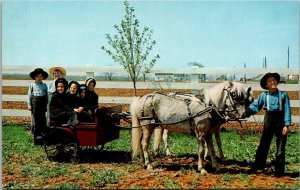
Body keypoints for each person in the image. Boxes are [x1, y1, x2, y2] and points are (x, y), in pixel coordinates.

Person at [243, 72, 291, 176]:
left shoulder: (283, 95)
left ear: (277, 81)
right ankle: (259, 167)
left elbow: (287, 110)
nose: (273, 82)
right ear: (266, 85)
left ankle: (279, 171)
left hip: (280, 121)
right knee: (264, 144)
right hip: (269, 120)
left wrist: (286, 125)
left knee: (280, 147)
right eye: (270, 81)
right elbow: (256, 106)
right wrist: (246, 112)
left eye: (274, 80)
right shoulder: (264, 95)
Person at [27, 68, 48, 144]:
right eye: (37, 76)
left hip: (42, 103)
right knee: (36, 120)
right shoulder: (32, 85)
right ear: (35, 77)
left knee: (42, 120)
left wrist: (46, 105)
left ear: (42, 77)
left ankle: (42, 139)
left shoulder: (44, 85)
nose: (39, 78)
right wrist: (29, 105)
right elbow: (29, 95)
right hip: (35, 103)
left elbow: (46, 96)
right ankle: (36, 140)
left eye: (40, 76)